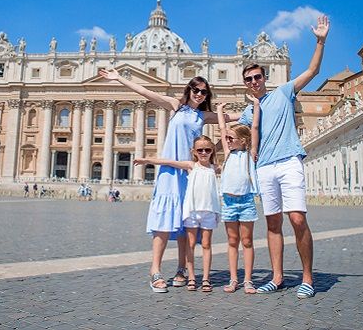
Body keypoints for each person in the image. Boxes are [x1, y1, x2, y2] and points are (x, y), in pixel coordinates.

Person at [99, 68, 232, 293]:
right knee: (162, 223)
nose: (199, 94)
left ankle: (182, 269)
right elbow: (145, 92)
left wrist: (258, 107)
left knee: (185, 222)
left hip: (191, 173)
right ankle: (155, 270)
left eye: (204, 92)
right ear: (189, 90)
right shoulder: (175, 105)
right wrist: (119, 78)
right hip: (170, 171)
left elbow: (232, 119)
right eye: (196, 90)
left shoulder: (203, 116)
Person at [237, 15, 330, 299]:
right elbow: (231, 126)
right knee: (273, 223)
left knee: (298, 219)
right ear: (246, 84)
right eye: (249, 79)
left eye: (257, 77)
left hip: (289, 161)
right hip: (264, 167)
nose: (254, 82)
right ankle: (277, 278)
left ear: (264, 78)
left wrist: (320, 41)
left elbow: (313, 70)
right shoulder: (248, 112)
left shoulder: (284, 92)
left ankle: (307, 278)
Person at [135, 135, 221, 293]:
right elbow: (168, 161)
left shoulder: (215, 168)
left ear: (212, 151)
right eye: (200, 150)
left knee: (206, 245)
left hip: (209, 211)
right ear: (194, 152)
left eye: (207, 149)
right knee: (190, 244)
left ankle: (206, 278)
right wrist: (146, 160)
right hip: (192, 211)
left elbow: (232, 161)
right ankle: (193, 277)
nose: (203, 152)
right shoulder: (191, 165)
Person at [217, 96, 260, 294]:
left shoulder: (250, 154)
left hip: (246, 201)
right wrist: (219, 111)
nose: (227, 141)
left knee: (247, 241)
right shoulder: (227, 154)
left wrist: (257, 106)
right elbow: (222, 127)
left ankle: (248, 280)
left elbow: (255, 128)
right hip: (228, 201)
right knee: (232, 241)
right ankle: (234, 279)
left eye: (230, 139)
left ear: (242, 141)